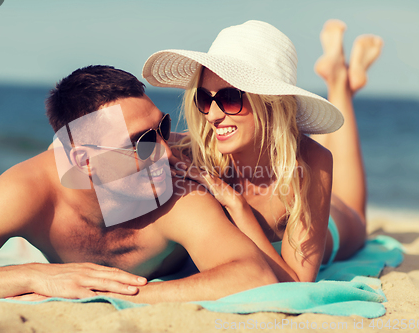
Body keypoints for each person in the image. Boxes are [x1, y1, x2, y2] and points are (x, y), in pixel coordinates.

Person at [0, 65, 277, 302]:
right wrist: (30, 276)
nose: (167, 154)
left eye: (163, 128)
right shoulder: (30, 189)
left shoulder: (177, 189)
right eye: (142, 142)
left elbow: (254, 276)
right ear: (83, 160)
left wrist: (106, 294)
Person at [143, 20, 383, 282]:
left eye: (229, 98)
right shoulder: (194, 150)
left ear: (270, 101)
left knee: (355, 214)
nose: (212, 115)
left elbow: (298, 283)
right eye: (203, 98)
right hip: (290, 167)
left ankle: (340, 84)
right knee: (293, 148)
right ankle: (341, 76)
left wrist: (237, 205)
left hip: (334, 227)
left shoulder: (313, 161)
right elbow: (124, 149)